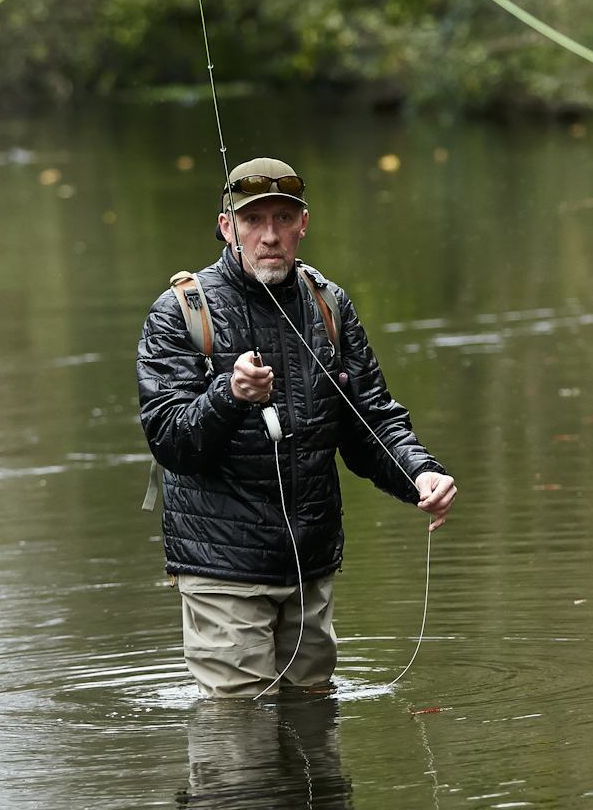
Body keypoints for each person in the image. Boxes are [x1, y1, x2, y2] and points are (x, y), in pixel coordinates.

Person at [136, 155, 457, 698]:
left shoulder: (329, 306)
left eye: (283, 218)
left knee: (313, 719)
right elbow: (171, 441)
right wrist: (230, 395)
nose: (269, 236)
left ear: (303, 224)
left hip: (310, 565)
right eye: (253, 220)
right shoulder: (182, 312)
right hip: (222, 567)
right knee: (241, 730)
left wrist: (419, 474)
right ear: (227, 227)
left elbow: (371, 420)